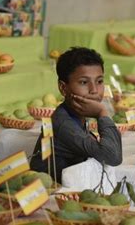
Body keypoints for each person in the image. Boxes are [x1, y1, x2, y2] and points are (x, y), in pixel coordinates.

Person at [30, 47, 122, 183]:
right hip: (50, 194)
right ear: (63, 88)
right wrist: (101, 112)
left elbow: (115, 150)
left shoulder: (77, 115)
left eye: (99, 81)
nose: (94, 90)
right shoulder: (62, 123)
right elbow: (113, 156)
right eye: (84, 82)